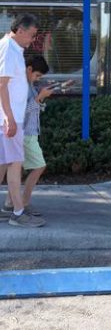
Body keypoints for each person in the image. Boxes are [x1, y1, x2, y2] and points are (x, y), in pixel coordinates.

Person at [0, 14, 44, 228]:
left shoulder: (13, 49)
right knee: (15, 166)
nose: (33, 40)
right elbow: (1, 85)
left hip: (8, 119)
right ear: (20, 30)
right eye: (32, 35)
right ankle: (17, 213)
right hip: (9, 120)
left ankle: (10, 209)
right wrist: (9, 117)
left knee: (3, 166)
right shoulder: (8, 48)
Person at [2, 55, 53, 218]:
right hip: (25, 134)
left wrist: (40, 99)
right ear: (29, 69)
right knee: (39, 166)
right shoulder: (21, 86)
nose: (38, 79)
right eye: (37, 75)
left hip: (28, 132)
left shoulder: (28, 84)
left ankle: (12, 203)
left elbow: (33, 108)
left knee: (16, 170)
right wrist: (40, 97)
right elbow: (21, 112)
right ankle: (22, 203)